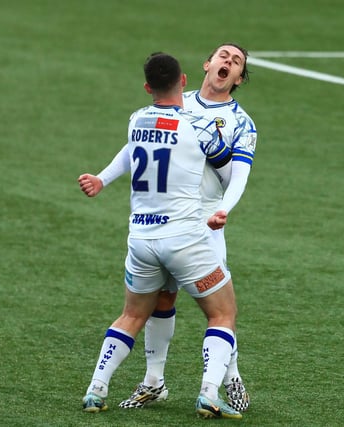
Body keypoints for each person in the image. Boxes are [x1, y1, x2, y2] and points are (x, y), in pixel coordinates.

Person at [78, 42, 256, 412]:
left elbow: (238, 175)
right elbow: (133, 147)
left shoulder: (240, 122)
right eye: (223, 55)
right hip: (179, 224)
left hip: (203, 220)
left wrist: (224, 208)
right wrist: (104, 177)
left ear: (238, 78)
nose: (228, 61)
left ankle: (231, 375)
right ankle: (153, 381)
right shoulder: (181, 102)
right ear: (206, 65)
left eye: (236, 61)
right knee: (171, 300)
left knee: (217, 304)